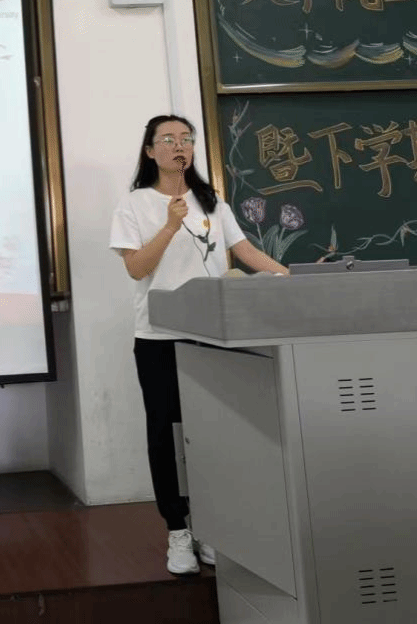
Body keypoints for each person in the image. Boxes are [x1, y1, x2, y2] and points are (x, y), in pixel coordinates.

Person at [110, 114, 288, 575]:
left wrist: (287, 276)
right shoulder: (135, 204)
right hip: (159, 337)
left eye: (186, 139)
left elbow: (244, 252)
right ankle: (177, 529)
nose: (179, 146)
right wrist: (170, 226)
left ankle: (209, 525)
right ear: (150, 151)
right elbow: (136, 269)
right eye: (168, 139)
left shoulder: (212, 202)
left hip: (213, 335)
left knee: (210, 430)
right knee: (165, 433)